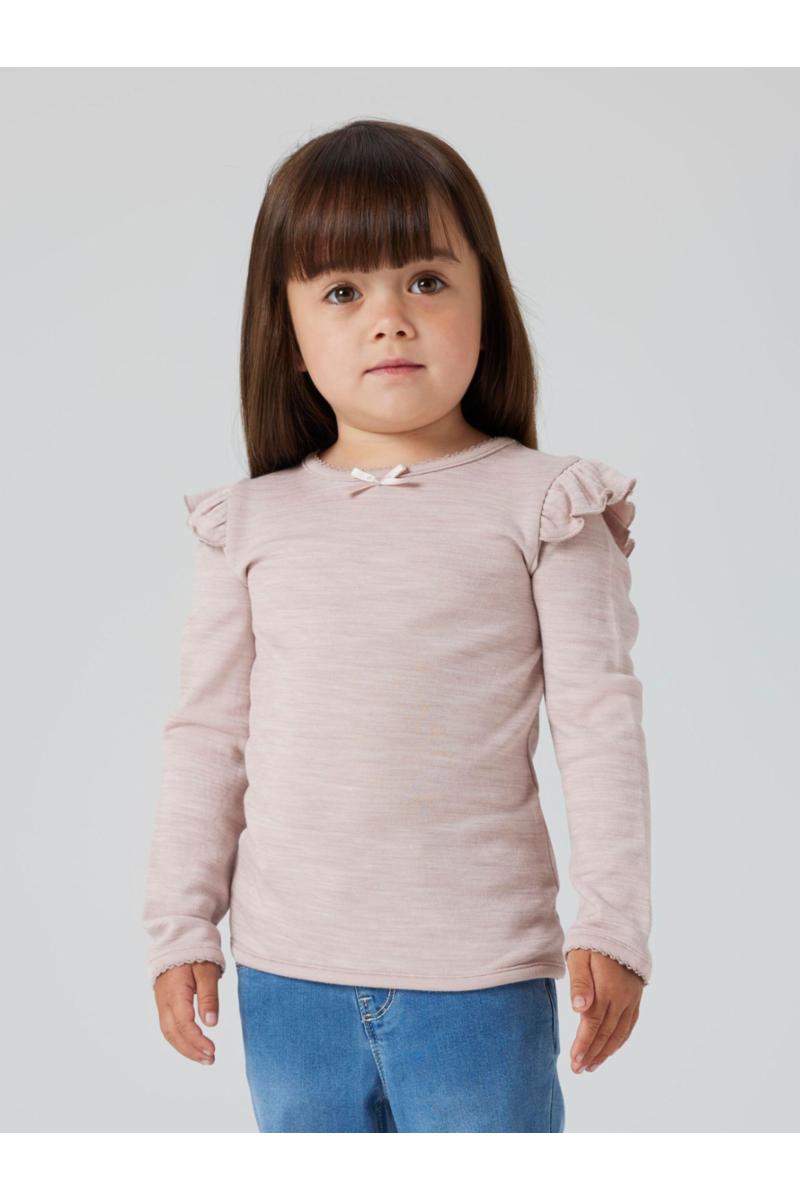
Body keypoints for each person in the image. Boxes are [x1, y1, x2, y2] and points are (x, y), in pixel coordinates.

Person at [142, 117, 653, 1133]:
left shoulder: (547, 507)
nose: (389, 320)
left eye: (425, 280)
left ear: (485, 307)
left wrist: (613, 925)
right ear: (287, 333)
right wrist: (179, 925)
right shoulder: (248, 523)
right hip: (285, 981)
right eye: (342, 292)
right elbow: (208, 735)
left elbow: (599, 728)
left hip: (478, 981)